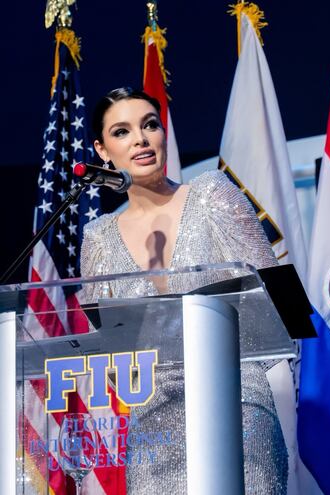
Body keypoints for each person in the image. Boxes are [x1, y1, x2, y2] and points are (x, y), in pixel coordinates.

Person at [80, 87, 288, 494]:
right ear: (102, 151)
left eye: (149, 125)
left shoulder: (213, 194)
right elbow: (107, 345)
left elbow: (276, 298)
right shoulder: (98, 237)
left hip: (237, 405)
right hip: (154, 424)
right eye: (122, 132)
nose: (140, 138)